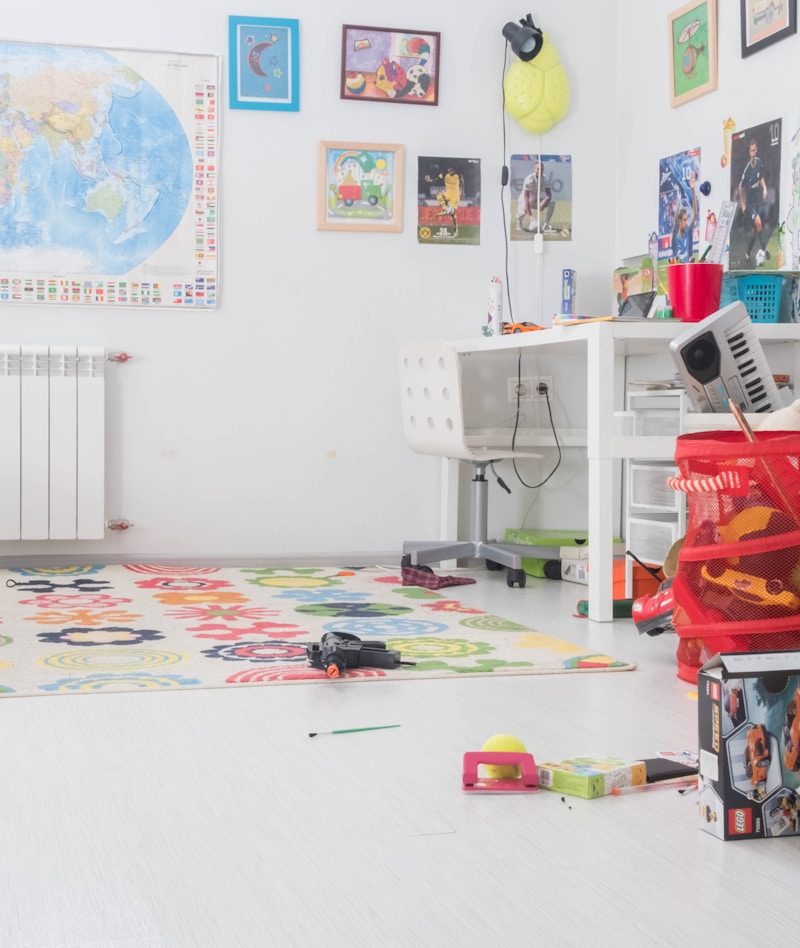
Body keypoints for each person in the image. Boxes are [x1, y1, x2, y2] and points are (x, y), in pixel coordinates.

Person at [738, 139, 770, 264]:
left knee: (754, 231)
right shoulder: (746, 169)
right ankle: (765, 251)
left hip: (757, 202)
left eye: (755, 149)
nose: (753, 152)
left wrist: (765, 188)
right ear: (749, 152)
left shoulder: (759, 162)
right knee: (759, 223)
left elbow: (761, 177)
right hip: (750, 204)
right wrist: (743, 203)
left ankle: (747, 254)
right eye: (751, 150)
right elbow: (740, 186)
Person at [516, 160, 555, 233]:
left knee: (552, 202)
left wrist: (546, 200)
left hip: (535, 199)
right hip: (524, 200)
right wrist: (531, 216)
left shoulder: (545, 178)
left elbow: (549, 193)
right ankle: (519, 222)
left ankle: (545, 225)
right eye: (538, 169)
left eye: (542, 169)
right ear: (534, 169)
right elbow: (526, 198)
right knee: (522, 213)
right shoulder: (529, 179)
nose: (540, 171)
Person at [424, 167, 463, 237]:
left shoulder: (458, 175)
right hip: (448, 194)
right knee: (438, 194)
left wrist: (463, 192)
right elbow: (436, 179)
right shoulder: (444, 174)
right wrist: (430, 180)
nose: (450, 172)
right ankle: (445, 208)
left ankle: (455, 230)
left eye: (452, 171)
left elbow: (463, 182)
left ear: (454, 171)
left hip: (455, 196)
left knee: (453, 215)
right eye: (449, 170)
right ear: (448, 170)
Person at [671, 172, 698, 262]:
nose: (686, 221)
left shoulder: (688, 229)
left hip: (687, 266)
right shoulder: (675, 230)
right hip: (678, 266)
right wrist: (678, 200)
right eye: (684, 219)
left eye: (686, 219)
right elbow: (675, 219)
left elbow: (695, 214)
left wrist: (693, 191)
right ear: (680, 220)